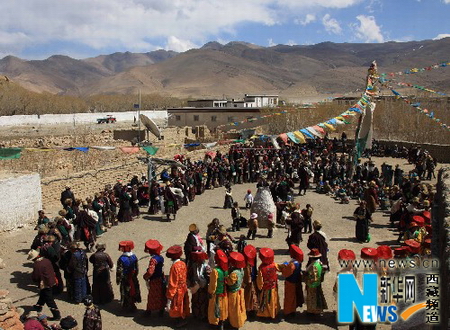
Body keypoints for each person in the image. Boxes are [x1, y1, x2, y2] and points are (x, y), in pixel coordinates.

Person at [28, 249, 61, 321]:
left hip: (45, 284)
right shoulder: (46, 260)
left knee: (49, 300)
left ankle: (56, 315)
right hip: (51, 281)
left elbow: (36, 276)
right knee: (43, 296)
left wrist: (35, 280)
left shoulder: (37, 265)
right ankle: (38, 307)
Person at [165, 245, 190, 328]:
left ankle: (180, 320)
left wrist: (169, 296)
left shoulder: (174, 267)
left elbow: (173, 283)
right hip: (183, 287)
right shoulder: (183, 263)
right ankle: (183, 317)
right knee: (183, 304)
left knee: (177, 305)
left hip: (177, 290)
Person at [143, 239, 167, 316]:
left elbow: (150, 271)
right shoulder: (160, 257)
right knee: (161, 295)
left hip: (154, 280)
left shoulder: (153, 260)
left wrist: (145, 277)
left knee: (152, 296)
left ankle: (149, 311)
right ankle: (161, 310)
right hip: (161, 278)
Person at [279, 245, 304, 318]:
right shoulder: (298, 262)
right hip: (296, 281)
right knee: (294, 297)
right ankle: (293, 310)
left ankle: (288, 312)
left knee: (289, 297)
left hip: (290, 282)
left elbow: (285, 273)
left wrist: (284, 266)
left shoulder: (292, 264)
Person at [116, 241, 141, 312]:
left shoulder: (121, 259)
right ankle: (133, 303)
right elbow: (137, 268)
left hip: (125, 278)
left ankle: (127, 305)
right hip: (133, 277)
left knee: (126, 291)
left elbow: (119, 271)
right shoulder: (134, 257)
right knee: (134, 289)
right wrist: (135, 275)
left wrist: (118, 279)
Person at [256, 248, 281, 320]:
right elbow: (280, 268)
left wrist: (259, 287)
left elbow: (260, 280)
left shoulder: (261, 268)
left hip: (265, 288)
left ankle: (266, 314)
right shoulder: (274, 265)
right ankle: (273, 312)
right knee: (273, 300)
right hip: (273, 287)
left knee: (266, 301)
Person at [208, 249, 229, 330]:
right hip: (224, 293)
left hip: (216, 294)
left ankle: (215, 324)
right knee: (223, 309)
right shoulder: (225, 270)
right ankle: (222, 323)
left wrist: (210, 292)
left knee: (215, 310)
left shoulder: (215, 271)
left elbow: (213, 285)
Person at [226, 252, 247, 329]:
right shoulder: (241, 270)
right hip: (239, 290)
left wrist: (226, 278)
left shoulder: (234, 274)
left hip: (233, 293)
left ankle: (234, 323)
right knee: (240, 307)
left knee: (234, 309)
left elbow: (230, 283)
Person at [304, 248, 328, 315]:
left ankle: (312, 311)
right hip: (318, 283)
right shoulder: (319, 263)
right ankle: (318, 310)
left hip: (312, 285)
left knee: (312, 298)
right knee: (318, 297)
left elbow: (313, 277)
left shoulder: (313, 266)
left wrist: (306, 277)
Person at [188, 250, 210, 320]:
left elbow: (209, 278)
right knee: (195, 301)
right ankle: (196, 315)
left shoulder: (206, 267)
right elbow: (190, 275)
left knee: (203, 302)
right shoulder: (193, 266)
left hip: (203, 288)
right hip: (196, 287)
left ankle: (203, 315)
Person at [242, 245, 259, 316]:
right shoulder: (253, 259)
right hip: (253, 279)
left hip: (248, 282)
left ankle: (250, 309)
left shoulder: (246, 264)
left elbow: (247, 275)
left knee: (249, 296)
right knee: (253, 295)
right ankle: (253, 309)